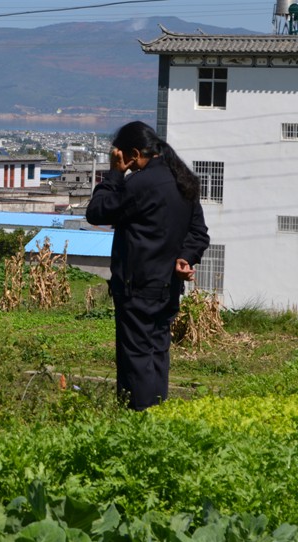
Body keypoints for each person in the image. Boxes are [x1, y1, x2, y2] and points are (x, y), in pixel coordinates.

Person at [86, 121, 209, 410]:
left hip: (137, 285)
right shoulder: (182, 180)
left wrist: (115, 174)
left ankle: (139, 416)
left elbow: (96, 211)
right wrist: (186, 257)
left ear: (132, 153)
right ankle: (158, 413)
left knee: (136, 356)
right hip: (168, 284)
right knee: (156, 352)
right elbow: (198, 232)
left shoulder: (138, 184)